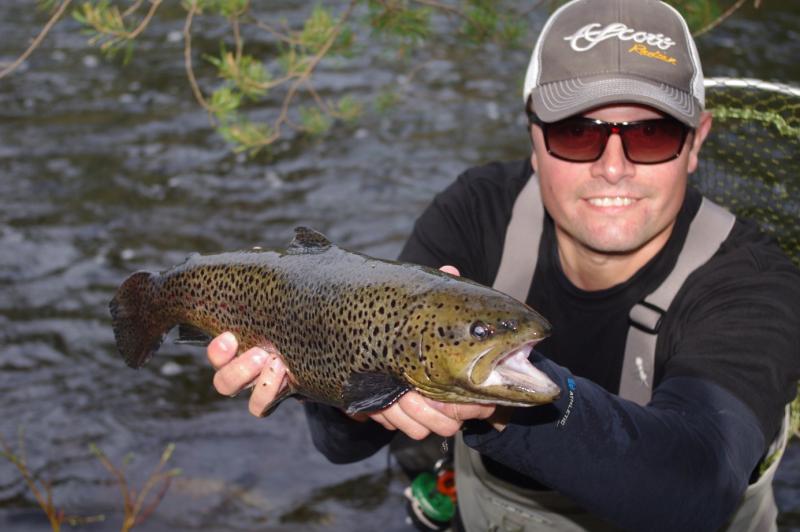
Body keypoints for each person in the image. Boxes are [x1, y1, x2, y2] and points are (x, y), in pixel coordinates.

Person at [206, 0, 800, 530]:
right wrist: (315, 371)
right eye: (577, 132)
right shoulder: (477, 214)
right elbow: (342, 447)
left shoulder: (753, 283)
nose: (613, 166)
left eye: (652, 134)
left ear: (696, 141)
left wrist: (495, 406)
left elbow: (697, 488)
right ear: (534, 137)